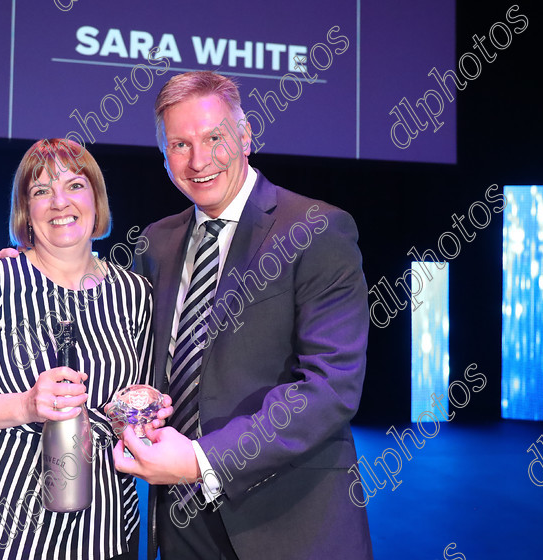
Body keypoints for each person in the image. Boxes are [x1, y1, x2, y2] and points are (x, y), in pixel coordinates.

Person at [110, 71, 374, 559]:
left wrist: (199, 459)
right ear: (164, 156)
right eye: (180, 144)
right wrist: (33, 263)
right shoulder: (154, 244)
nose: (200, 159)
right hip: (178, 522)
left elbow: (330, 385)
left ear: (246, 135)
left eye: (215, 137)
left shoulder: (317, 229)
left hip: (288, 523)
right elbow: (108, 331)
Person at [0, 138, 167, 560]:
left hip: (108, 532)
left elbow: (128, 401)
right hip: (12, 534)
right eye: (41, 191)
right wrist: (26, 406)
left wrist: (144, 411)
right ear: (25, 211)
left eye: (75, 186)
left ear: (96, 199)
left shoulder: (135, 292)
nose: (59, 202)